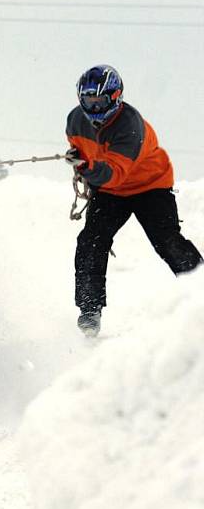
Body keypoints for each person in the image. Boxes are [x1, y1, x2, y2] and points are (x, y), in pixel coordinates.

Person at [66, 65, 202, 337]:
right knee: (91, 242)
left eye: (99, 101)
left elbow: (115, 173)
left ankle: (201, 292)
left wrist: (87, 168)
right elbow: (89, 158)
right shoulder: (75, 121)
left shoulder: (130, 126)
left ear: (115, 97)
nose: (93, 108)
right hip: (110, 191)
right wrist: (83, 166)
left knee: (167, 240)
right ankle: (89, 311)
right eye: (88, 101)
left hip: (150, 186)